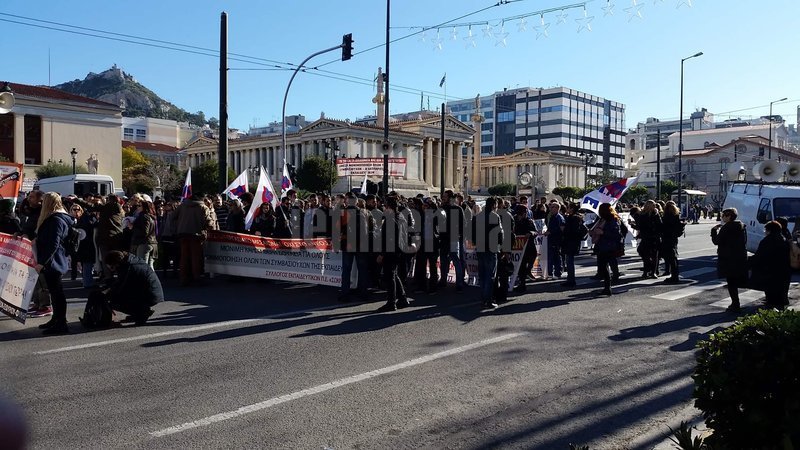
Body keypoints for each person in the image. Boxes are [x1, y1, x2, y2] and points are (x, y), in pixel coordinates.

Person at [33, 192, 72, 334]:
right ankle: (56, 319)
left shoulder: (56, 219)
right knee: (55, 292)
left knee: (57, 293)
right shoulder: (56, 218)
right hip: (54, 260)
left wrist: (42, 262)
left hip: (54, 261)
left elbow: (53, 244)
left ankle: (61, 323)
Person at [102, 250, 164, 325]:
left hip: (150, 295)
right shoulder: (132, 261)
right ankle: (138, 313)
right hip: (153, 292)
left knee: (115, 302)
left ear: (116, 263)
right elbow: (121, 283)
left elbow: (121, 288)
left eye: (112, 267)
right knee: (122, 297)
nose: (112, 270)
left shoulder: (129, 268)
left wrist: (106, 297)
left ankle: (142, 313)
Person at [375, 197, 410, 312]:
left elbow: (389, 239)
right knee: (394, 275)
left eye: (385, 206)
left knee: (389, 277)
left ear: (389, 207)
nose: (383, 208)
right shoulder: (400, 217)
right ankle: (402, 298)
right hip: (399, 250)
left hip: (391, 251)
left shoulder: (390, 219)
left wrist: (382, 254)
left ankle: (391, 302)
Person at [711, 208, 748, 313]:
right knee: (735, 281)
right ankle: (736, 303)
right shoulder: (741, 226)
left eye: (723, 215)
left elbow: (717, 241)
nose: (722, 217)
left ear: (729, 216)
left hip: (728, 257)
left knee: (731, 282)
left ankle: (735, 304)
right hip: (739, 256)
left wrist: (713, 231)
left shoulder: (726, 228)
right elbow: (745, 241)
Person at [173, 194, 213, 286]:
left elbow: (173, 217)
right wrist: (209, 228)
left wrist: (179, 226)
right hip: (196, 234)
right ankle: (196, 277)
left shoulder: (182, 206)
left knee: (184, 257)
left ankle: (183, 278)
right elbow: (209, 221)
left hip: (182, 234)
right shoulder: (203, 207)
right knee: (196, 257)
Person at [472, 196, 504, 309]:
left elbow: (472, 232)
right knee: (490, 275)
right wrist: (500, 245)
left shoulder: (477, 216)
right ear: (494, 205)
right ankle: (488, 300)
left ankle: (483, 298)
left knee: (482, 274)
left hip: (480, 248)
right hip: (491, 248)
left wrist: (475, 243)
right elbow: (500, 233)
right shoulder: (495, 216)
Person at [750, 220, 791, 309]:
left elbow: (760, 256)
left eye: (765, 230)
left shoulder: (767, 241)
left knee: (771, 295)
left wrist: (749, 262)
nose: (764, 232)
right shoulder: (784, 239)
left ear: (769, 230)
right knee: (781, 293)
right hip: (783, 270)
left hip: (769, 271)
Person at [589, 203, 622, 296]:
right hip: (602, 245)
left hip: (608, 246)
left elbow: (616, 235)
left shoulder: (612, 220)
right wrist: (593, 232)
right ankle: (607, 287)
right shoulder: (602, 220)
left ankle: (608, 287)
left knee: (605, 267)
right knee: (603, 267)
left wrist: (603, 233)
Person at [72, 202, 98, 288]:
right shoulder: (71, 220)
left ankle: (87, 282)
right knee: (85, 264)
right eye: (74, 209)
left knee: (86, 263)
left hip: (85, 245)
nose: (76, 211)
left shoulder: (85, 219)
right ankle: (87, 282)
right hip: (80, 245)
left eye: (78, 209)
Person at [562, 202, 587, 287]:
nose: (567, 209)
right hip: (573, 242)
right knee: (569, 261)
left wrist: (564, 230)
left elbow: (572, 231)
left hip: (571, 242)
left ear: (572, 209)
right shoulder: (575, 217)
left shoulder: (573, 218)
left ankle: (571, 280)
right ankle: (570, 279)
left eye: (568, 207)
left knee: (569, 261)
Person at [661, 201, 685, 284]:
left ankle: (674, 276)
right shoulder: (676, 215)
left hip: (666, 237)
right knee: (673, 257)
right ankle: (675, 275)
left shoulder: (666, 216)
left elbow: (663, 227)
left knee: (670, 257)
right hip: (673, 238)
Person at [130, 200, 157, 270]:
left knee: (143, 266)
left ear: (144, 207)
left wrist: (133, 227)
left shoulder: (144, 216)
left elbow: (144, 232)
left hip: (144, 243)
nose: (137, 207)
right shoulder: (150, 216)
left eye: (139, 206)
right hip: (151, 243)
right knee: (149, 267)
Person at [544, 201, 565, 279]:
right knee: (552, 256)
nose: (550, 209)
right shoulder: (553, 216)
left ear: (557, 208)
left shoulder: (559, 217)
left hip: (556, 240)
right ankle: (551, 272)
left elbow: (561, 229)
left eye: (552, 207)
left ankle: (557, 273)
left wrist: (550, 232)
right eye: (550, 207)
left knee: (556, 257)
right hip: (551, 239)